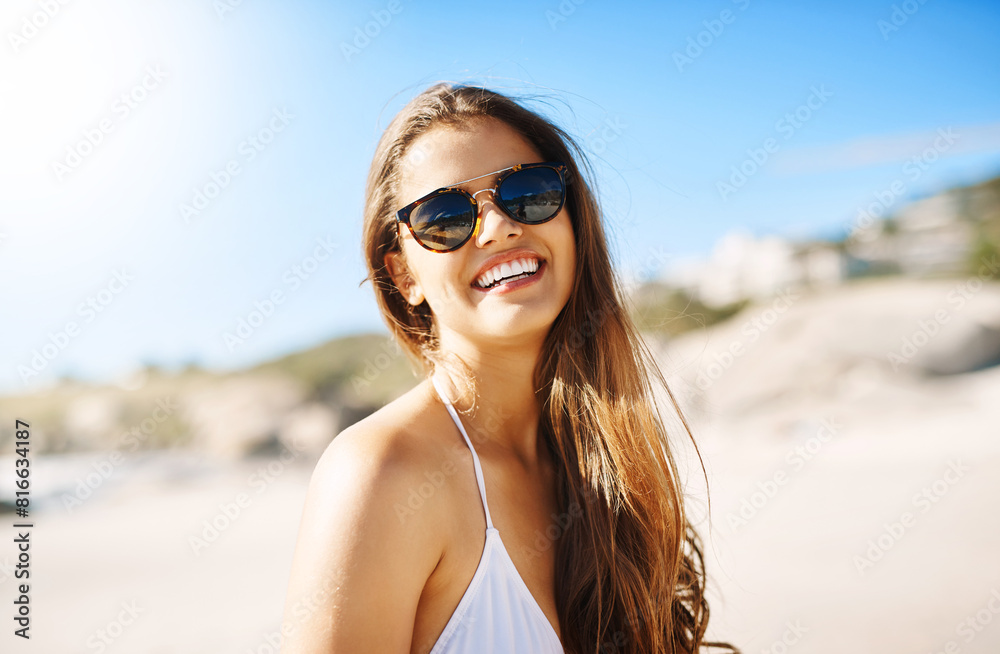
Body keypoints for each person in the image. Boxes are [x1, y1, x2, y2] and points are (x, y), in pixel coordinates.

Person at [279, 82, 737, 654]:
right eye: (443, 216)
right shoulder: (382, 472)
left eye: (528, 190)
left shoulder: (605, 463)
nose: (496, 226)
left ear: (572, 219)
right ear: (404, 277)